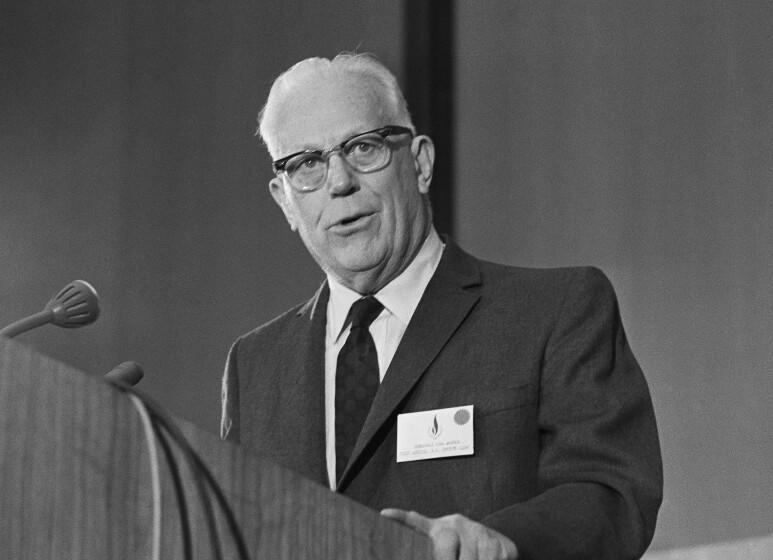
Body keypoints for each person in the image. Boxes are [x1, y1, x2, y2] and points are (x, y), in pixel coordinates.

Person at [221, 53, 662, 560]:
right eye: (307, 164)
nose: (339, 182)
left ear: (421, 163)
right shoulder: (254, 366)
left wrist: (500, 543)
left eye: (363, 148)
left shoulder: (554, 310)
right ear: (285, 201)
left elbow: (612, 494)